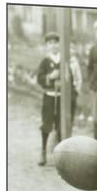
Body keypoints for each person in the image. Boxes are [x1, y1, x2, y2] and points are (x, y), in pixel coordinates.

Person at [36, 32, 62, 166]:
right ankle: (43, 151)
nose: (53, 46)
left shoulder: (64, 60)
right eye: (50, 43)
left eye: (56, 43)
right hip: (49, 97)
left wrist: (63, 81)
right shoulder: (45, 62)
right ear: (47, 46)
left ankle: (62, 155)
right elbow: (39, 78)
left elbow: (71, 78)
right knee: (46, 124)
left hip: (61, 98)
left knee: (61, 125)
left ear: (59, 44)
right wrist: (50, 77)